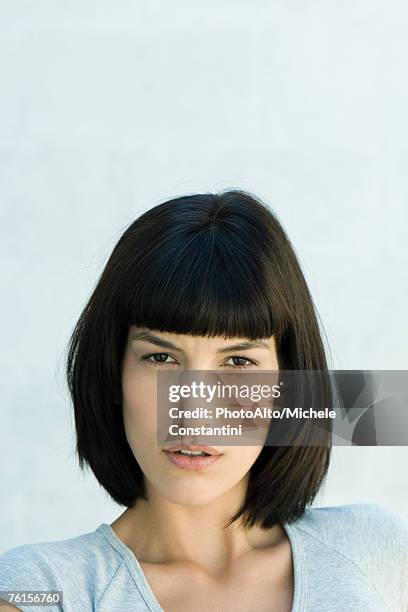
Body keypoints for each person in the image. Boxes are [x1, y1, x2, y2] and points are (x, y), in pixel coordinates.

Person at [0, 190, 407, 611]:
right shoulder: (41, 590)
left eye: (238, 361)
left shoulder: (377, 551)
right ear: (113, 375)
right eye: (161, 358)